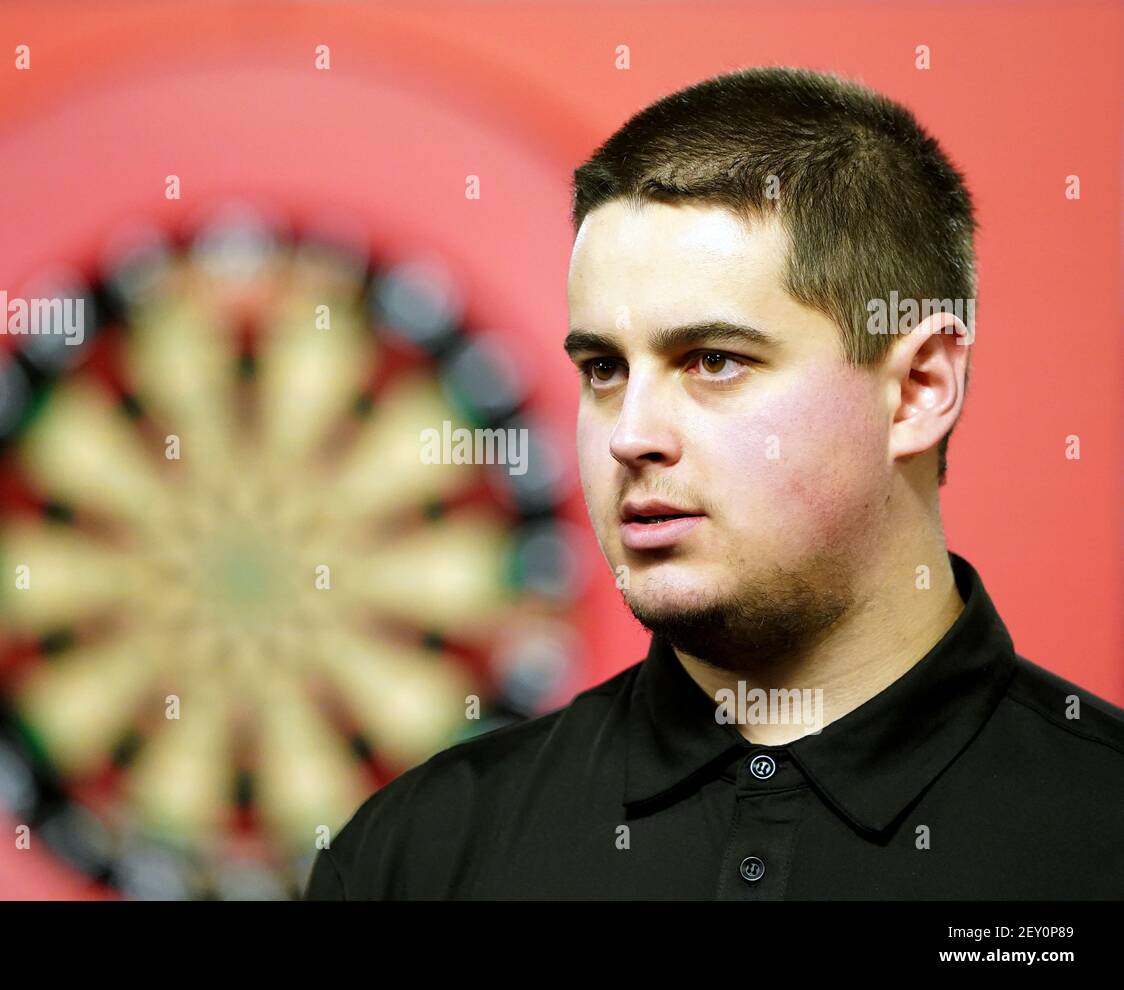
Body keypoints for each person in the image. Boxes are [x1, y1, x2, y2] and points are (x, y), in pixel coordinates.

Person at [302, 66, 1124, 900]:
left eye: (714, 361)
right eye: (603, 368)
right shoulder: (417, 858)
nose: (630, 436)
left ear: (917, 390)